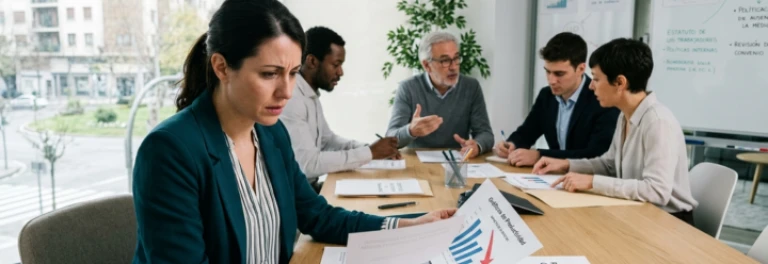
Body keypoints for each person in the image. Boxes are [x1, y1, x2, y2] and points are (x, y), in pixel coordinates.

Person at [131, 1, 455, 263]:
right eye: (270, 74)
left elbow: (318, 216)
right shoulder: (169, 152)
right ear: (221, 67)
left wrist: (407, 226)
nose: (286, 91)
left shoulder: (271, 135)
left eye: (294, 73)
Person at [532, 38, 697, 225]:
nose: (590, 86)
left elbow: (657, 191)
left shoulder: (658, 122)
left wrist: (592, 182)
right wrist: (566, 165)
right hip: (640, 213)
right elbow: (610, 165)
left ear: (620, 82)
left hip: (670, 223)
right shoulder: (625, 115)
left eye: (595, 78)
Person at [281, 26, 399, 181]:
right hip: (295, 199)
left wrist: (370, 148)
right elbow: (308, 165)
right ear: (312, 61)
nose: (340, 72)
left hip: (308, 191)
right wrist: (370, 153)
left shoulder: (309, 94)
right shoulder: (292, 99)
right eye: (335, 65)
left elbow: (328, 141)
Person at [495, 32, 619, 167]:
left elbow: (595, 154)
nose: (551, 80)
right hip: (551, 177)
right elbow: (527, 132)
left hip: (585, 179)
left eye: (559, 74)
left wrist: (539, 155)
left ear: (581, 69)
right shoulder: (546, 96)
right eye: (548, 71)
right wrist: (512, 144)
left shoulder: (602, 99)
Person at [385, 31, 493, 158]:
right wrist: (411, 131)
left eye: (456, 58)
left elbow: (485, 133)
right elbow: (390, 139)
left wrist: (477, 145)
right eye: (445, 60)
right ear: (426, 65)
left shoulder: (471, 87)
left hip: (457, 163)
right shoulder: (408, 88)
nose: (453, 67)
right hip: (417, 164)